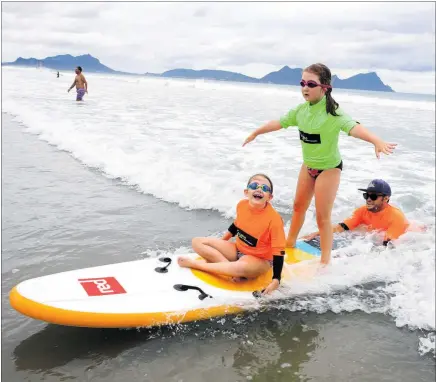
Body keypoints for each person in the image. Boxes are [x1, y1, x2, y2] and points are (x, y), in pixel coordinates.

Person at [243, 63, 397, 266]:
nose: (305, 88)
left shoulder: (334, 113)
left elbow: (354, 128)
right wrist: (256, 132)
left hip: (329, 169)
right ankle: (289, 244)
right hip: (308, 166)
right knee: (298, 207)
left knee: (322, 217)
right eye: (302, 83)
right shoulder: (301, 111)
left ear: (324, 87)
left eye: (310, 84)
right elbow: (278, 122)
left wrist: (376, 141)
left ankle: (325, 262)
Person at [178, 173, 286, 295]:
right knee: (197, 242)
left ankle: (196, 265)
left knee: (242, 267)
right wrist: (222, 242)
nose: (259, 189)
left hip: (259, 260)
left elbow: (279, 252)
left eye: (265, 188)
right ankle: (229, 268)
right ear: (246, 192)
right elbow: (236, 226)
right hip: (238, 250)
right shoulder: (242, 205)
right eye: (254, 185)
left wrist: (276, 279)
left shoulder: (274, 220)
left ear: (269, 197)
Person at [301, 179, 409, 246]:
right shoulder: (362, 211)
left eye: (373, 196)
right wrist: (319, 233)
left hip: (410, 238)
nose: (369, 199)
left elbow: (388, 245)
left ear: (386, 199)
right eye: (366, 195)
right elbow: (341, 227)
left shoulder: (396, 217)